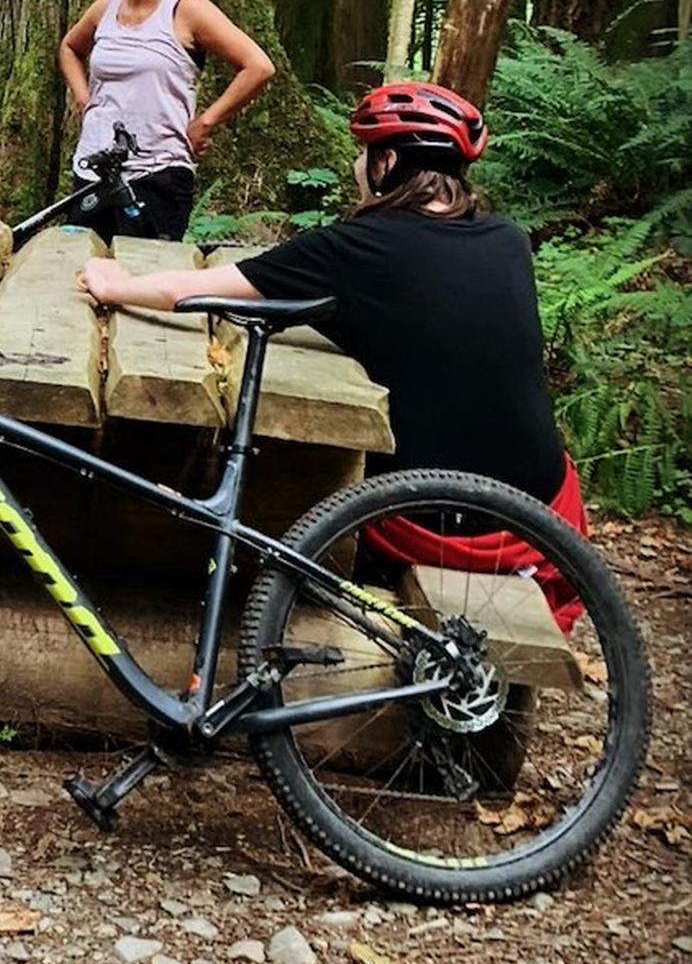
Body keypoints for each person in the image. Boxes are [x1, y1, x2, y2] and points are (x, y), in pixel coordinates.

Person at [78, 81, 589, 626]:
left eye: (362, 153)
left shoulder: (356, 247)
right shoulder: (508, 241)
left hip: (430, 522)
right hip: (542, 516)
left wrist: (117, 285)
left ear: (387, 162)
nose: (355, 165)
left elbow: (204, 290)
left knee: (290, 480)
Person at [57, 0, 276, 240]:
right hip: (93, 171)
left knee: (141, 281)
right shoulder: (106, 8)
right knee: (83, 277)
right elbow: (69, 47)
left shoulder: (187, 9)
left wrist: (205, 123)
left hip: (155, 175)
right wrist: (85, 100)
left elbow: (258, 66)